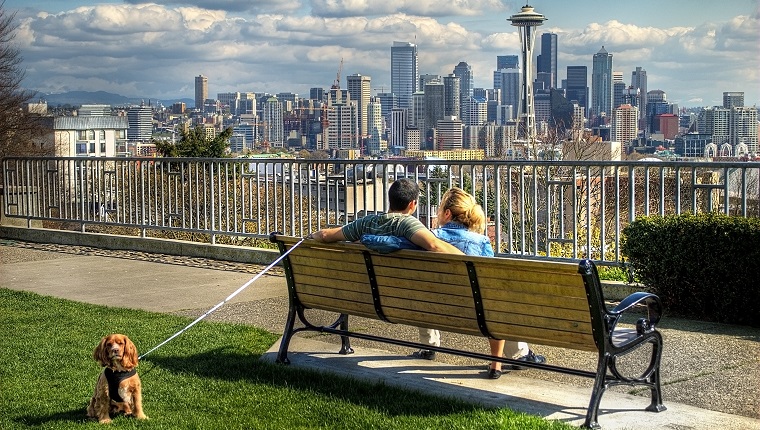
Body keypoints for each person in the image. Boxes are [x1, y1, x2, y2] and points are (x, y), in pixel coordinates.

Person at [362, 187, 545, 379]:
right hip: (474, 311)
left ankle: (427, 347)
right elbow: (491, 285)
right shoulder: (481, 242)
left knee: (426, 287)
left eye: (440, 209)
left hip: (431, 305)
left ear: (447, 213)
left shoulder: (427, 238)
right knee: (496, 302)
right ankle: (519, 355)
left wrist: (365, 238)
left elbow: (392, 244)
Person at [308, 177, 463, 254]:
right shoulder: (407, 223)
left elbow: (325, 235)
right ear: (412, 204)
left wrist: (310, 235)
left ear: (390, 200)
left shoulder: (366, 223)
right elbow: (433, 245)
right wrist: (468, 259)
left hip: (371, 293)